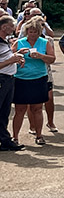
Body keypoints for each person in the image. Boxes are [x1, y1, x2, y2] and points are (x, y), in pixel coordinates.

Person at [12, 17, 56, 147]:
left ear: (39, 32)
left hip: (39, 78)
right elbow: (9, 57)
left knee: (37, 108)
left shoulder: (44, 42)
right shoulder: (19, 42)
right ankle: (15, 137)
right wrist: (19, 54)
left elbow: (52, 59)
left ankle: (39, 135)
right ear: (26, 31)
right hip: (21, 78)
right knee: (20, 109)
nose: (32, 34)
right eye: (30, 31)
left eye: (35, 31)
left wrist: (41, 56)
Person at [0, 13, 25, 151]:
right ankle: (5, 139)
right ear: (4, 27)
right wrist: (12, 60)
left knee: (4, 111)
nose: (14, 29)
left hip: (9, 78)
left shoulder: (5, 41)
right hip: (2, 79)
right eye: (11, 26)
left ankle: (5, 140)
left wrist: (17, 56)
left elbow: (5, 57)